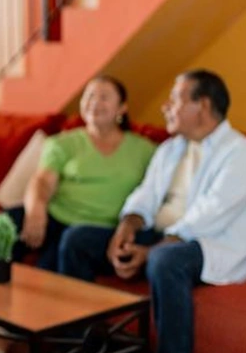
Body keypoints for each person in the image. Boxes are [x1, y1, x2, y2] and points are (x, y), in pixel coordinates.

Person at [59, 70, 246, 353]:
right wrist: (125, 228)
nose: (165, 107)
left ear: (201, 106)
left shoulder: (243, 152)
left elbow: (210, 215)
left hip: (212, 242)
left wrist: (150, 250)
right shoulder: (171, 148)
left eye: (175, 100)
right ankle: (81, 348)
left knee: (164, 260)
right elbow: (146, 195)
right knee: (76, 239)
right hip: (160, 235)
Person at [10, 75, 156, 271]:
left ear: (122, 108)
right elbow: (43, 180)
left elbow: (155, 193)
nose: (95, 102)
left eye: (104, 97)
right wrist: (36, 210)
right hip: (58, 220)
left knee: (62, 252)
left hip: (103, 229)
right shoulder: (62, 142)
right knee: (5, 224)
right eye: (89, 96)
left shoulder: (145, 150)